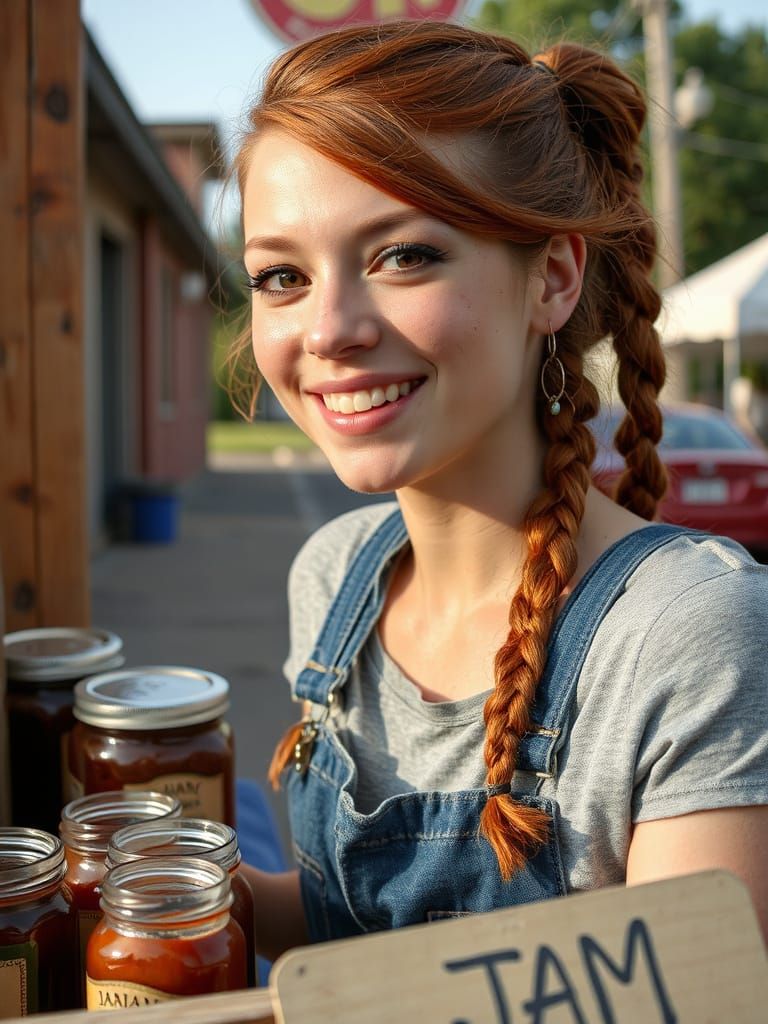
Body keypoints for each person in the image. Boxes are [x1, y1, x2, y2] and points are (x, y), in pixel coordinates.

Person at [232, 19, 768, 959]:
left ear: (553, 278)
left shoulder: (691, 632)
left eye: (403, 255)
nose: (327, 330)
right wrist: (171, 899)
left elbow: (698, 990)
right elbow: (347, 935)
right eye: (281, 275)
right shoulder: (334, 578)